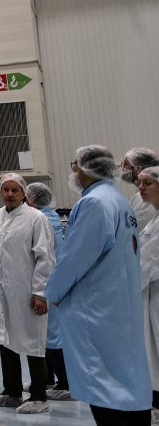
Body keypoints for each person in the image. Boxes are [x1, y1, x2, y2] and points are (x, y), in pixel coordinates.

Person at [46, 146, 152, 425]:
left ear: (88, 169)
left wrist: (53, 293)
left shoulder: (94, 203)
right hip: (117, 307)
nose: (73, 172)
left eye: (75, 165)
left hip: (97, 311)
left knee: (105, 390)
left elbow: (74, 258)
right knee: (125, 384)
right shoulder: (120, 202)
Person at [0, 172, 54, 414]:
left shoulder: (35, 218)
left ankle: (39, 395)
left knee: (32, 341)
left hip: (27, 291)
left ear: (23, 193)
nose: (9, 194)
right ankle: (12, 391)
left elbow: (45, 257)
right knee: (6, 340)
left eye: (14, 190)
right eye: (5, 189)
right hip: (1, 291)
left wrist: (40, 292)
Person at [25, 182, 70, 401]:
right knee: (46, 334)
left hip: (48, 283)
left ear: (31, 198)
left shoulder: (41, 219)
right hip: (52, 281)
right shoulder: (51, 216)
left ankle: (65, 382)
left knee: (51, 335)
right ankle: (48, 379)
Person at [137, 166, 159, 424]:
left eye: (148, 183)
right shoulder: (153, 219)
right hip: (150, 295)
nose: (141, 188)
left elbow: (148, 263)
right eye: (140, 183)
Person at [123, 148, 159, 229]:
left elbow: (134, 227)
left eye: (126, 165)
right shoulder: (139, 195)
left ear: (138, 169)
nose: (123, 169)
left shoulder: (147, 196)